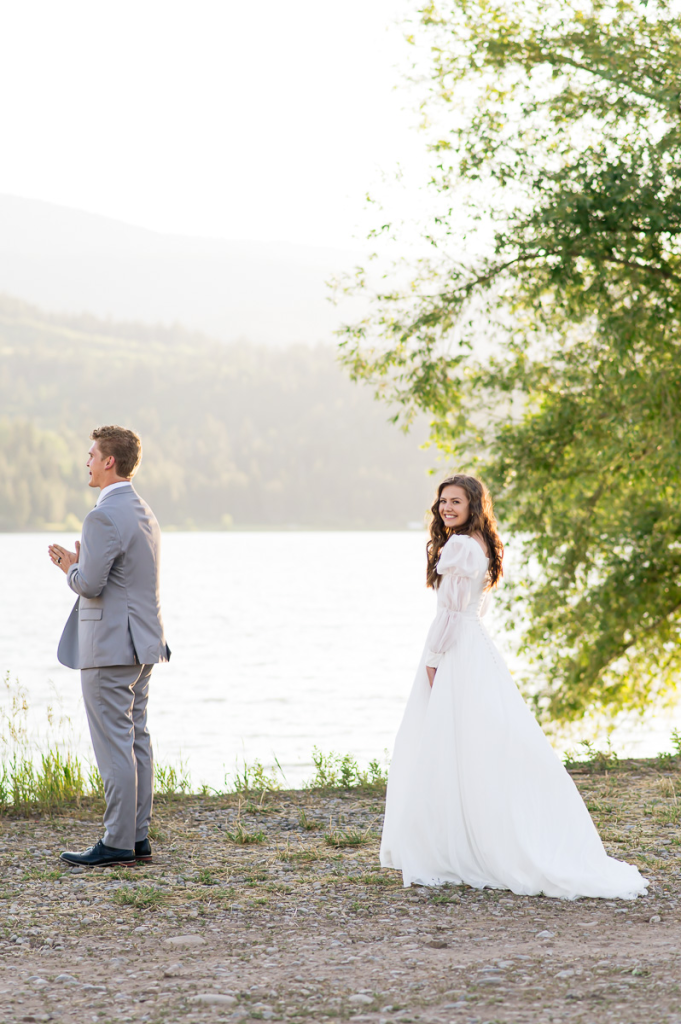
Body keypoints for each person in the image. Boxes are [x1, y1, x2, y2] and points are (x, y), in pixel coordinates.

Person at [380, 474, 646, 899]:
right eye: (443, 501)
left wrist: (433, 661)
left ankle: (460, 845)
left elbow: (450, 615)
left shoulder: (460, 547)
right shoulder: (482, 545)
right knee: (478, 745)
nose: (447, 508)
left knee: (452, 743)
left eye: (456, 501)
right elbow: (473, 609)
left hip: (456, 651)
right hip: (475, 647)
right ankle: (476, 837)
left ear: (472, 506)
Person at [49, 425, 170, 868]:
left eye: (91, 454)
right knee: (136, 739)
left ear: (109, 461)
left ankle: (117, 842)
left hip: (110, 647)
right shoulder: (144, 511)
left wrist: (70, 567)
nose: (87, 461)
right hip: (143, 644)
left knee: (115, 744)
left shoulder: (101, 517)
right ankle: (136, 837)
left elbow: (91, 584)